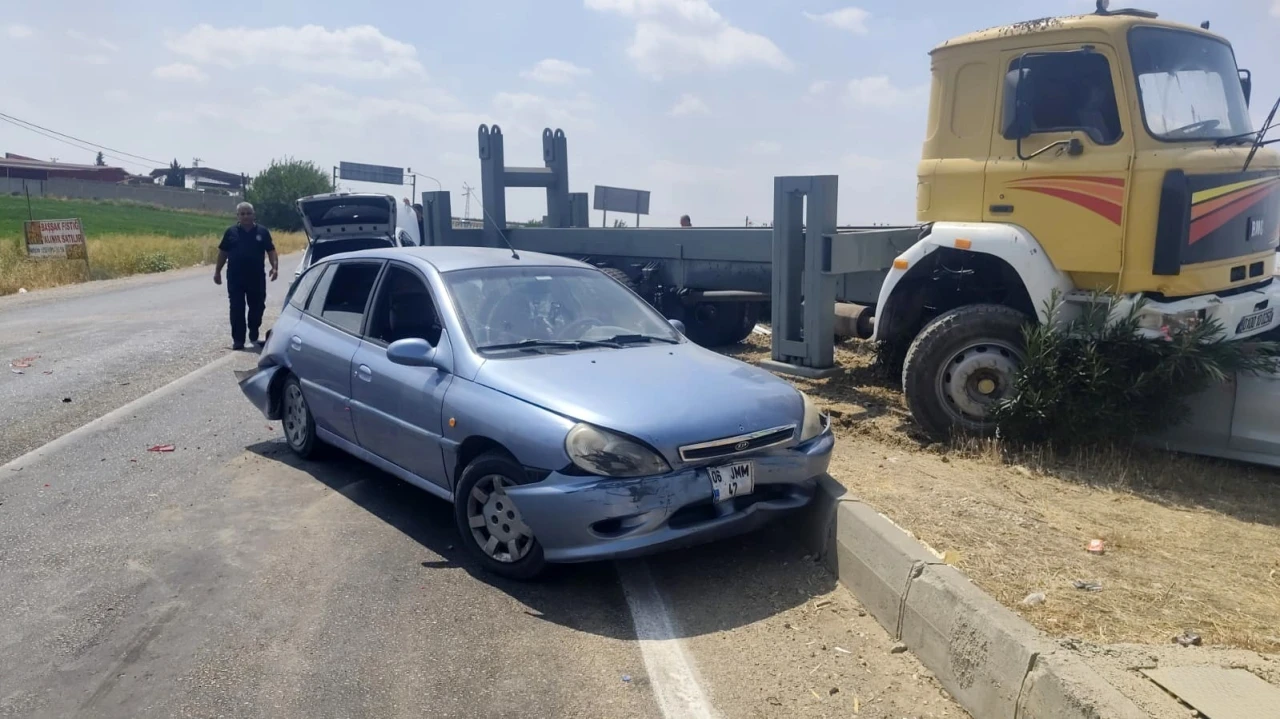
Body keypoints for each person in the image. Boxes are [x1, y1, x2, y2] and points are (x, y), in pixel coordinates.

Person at [214, 202, 278, 350]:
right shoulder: (231, 232)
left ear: (253, 215)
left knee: (258, 306)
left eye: (248, 213)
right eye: (242, 214)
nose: (246, 216)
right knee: (236, 308)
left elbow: (271, 251)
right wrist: (217, 271)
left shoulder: (262, 232)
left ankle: (254, 328)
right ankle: (238, 340)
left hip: (256, 277)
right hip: (235, 277)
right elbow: (223, 252)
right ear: (238, 216)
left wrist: (275, 268)